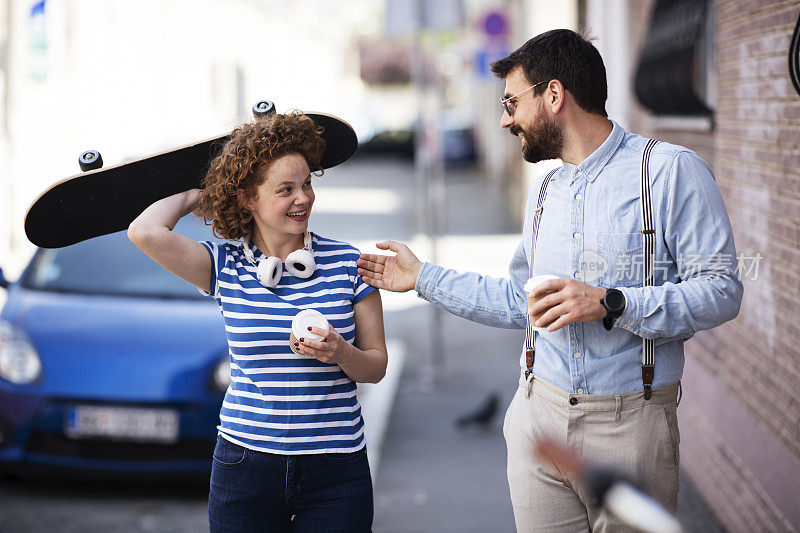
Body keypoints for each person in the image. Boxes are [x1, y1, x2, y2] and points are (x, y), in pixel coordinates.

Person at [357, 29, 742, 532]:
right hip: (538, 416)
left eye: (511, 102)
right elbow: (521, 302)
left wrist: (612, 302)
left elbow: (721, 291)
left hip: (630, 429)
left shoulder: (670, 172)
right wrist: (423, 277)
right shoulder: (546, 191)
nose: (504, 119)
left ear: (554, 95)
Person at [128, 111, 387, 532]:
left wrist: (341, 352)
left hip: (336, 470)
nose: (302, 198)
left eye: (306, 184)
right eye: (285, 189)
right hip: (245, 466)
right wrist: (205, 191)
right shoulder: (223, 266)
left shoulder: (348, 264)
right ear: (249, 198)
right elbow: (144, 232)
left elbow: (376, 367)